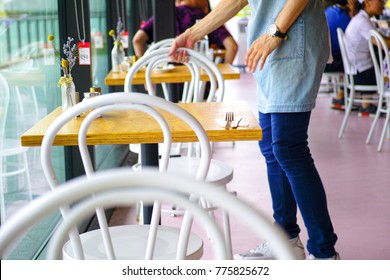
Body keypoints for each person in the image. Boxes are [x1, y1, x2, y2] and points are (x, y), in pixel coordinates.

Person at [169, 0, 339, 260]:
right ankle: (285, 238)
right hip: (270, 47)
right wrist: (192, 34)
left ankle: (324, 252)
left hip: (290, 40)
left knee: (288, 148)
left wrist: (274, 33)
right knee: (271, 146)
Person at [132, 0, 238, 64]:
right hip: (200, 85)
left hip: (163, 84)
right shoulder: (206, 19)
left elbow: (137, 39)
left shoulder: (164, 15)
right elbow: (232, 46)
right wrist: (217, 80)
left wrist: (144, 69)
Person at [344, 0, 390, 117]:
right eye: (380, 1)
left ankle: (366, 105)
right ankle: (370, 105)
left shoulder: (361, 18)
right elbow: (382, 43)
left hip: (356, 73)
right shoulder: (362, 21)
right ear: (368, 2)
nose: (383, 4)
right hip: (362, 75)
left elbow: (381, 38)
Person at [324, 0, 351, 110]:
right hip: (330, 62)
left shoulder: (330, 10)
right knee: (354, 61)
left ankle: (341, 95)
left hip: (323, 60)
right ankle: (343, 97)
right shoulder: (343, 17)